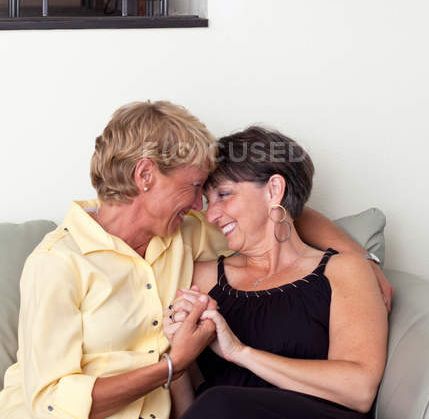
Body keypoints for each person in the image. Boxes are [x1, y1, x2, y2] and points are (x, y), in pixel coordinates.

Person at [0, 102, 392, 419]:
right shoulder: (57, 262)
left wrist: (362, 258)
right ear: (146, 175)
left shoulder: (184, 234)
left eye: (214, 196)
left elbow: (279, 211)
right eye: (194, 189)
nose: (200, 208)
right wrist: (173, 365)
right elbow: (50, 403)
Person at [163, 126, 388, 419]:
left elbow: (359, 390)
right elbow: (190, 410)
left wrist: (240, 352)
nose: (211, 215)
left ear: (274, 190)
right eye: (208, 200)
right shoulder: (202, 277)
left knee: (220, 403)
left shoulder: (344, 270)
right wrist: (178, 356)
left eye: (224, 194)